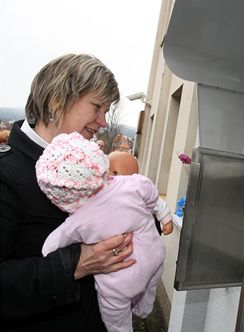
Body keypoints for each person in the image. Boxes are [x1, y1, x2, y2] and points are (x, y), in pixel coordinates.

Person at [0, 54, 135, 331]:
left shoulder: (90, 167)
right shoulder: (6, 174)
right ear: (56, 100)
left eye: (106, 111)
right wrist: (77, 264)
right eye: (97, 107)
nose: (103, 121)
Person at [37, 132, 167, 332]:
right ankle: (144, 308)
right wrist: (164, 217)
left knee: (116, 315)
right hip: (154, 254)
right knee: (150, 284)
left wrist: (47, 254)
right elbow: (153, 197)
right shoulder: (132, 183)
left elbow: (53, 243)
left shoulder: (78, 220)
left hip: (120, 279)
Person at [108, 150, 174, 235]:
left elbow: (157, 203)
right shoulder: (104, 191)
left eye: (115, 173)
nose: (109, 175)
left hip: (137, 235)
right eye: (107, 170)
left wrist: (166, 220)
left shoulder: (139, 190)